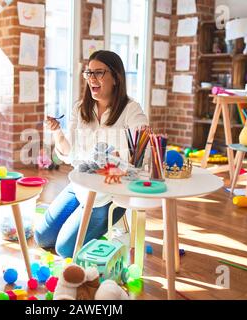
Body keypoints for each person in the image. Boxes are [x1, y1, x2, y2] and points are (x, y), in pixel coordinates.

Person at [35, 50, 148, 258]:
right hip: (80, 187)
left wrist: (121, 158)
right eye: (89, 73)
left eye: (99, 73)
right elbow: (70, 155)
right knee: (41, 237)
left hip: (108, 197)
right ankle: (89, 229)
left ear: (116, 77)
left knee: (64, 249)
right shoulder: (80, 108)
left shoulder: (131, 110)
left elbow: (143, 149)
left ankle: (112, 234)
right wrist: (57, 132)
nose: (92, 79)